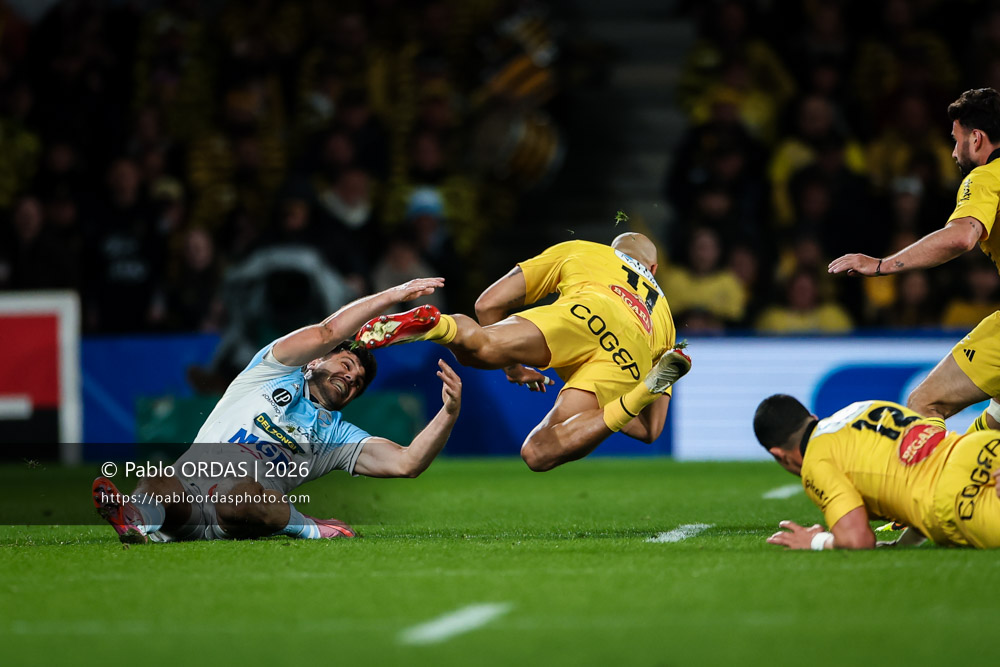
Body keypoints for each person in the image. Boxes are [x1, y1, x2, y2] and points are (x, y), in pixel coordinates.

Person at [93, 278, 462, 543]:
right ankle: (137, 519)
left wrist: (448, 412)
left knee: (241, 496)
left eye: (358, 382)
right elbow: (325, 332)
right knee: (160, 481)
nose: (351, 378)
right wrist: (391, 296)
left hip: (243, 511)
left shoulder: (336, 434)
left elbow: (407, 462)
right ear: (316, 362)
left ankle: (305, 526)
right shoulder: (269, 371)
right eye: (346, 365)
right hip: (190, 498)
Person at [356, 233, 692, 472]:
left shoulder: (584, 251)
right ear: (654, 269)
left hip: (583, 310)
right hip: (627, 354)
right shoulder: (665, 320)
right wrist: (620, 399)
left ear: (613, 249)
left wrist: (512, 367)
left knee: (480, 348)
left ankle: (436, 325)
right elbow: (651, 430)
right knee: (538, 452)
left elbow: (488, 303)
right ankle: (640, 392)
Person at [829, 88, 1000, 434]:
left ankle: (933, 484)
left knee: (924, 403)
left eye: (957, 140)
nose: (953, 152)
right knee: (991, 428)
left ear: (977, 139)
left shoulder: (986, 177)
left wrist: (881, 265)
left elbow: (962, 236)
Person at [754, 394, 1000, 550]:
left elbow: (857, 539)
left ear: (778, 454)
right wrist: (903, 544)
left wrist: (815, 541)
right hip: (975, 447)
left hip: (955, 498)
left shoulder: (815, 465)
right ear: (812, 417)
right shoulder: (862, 406)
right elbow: (917, 466)